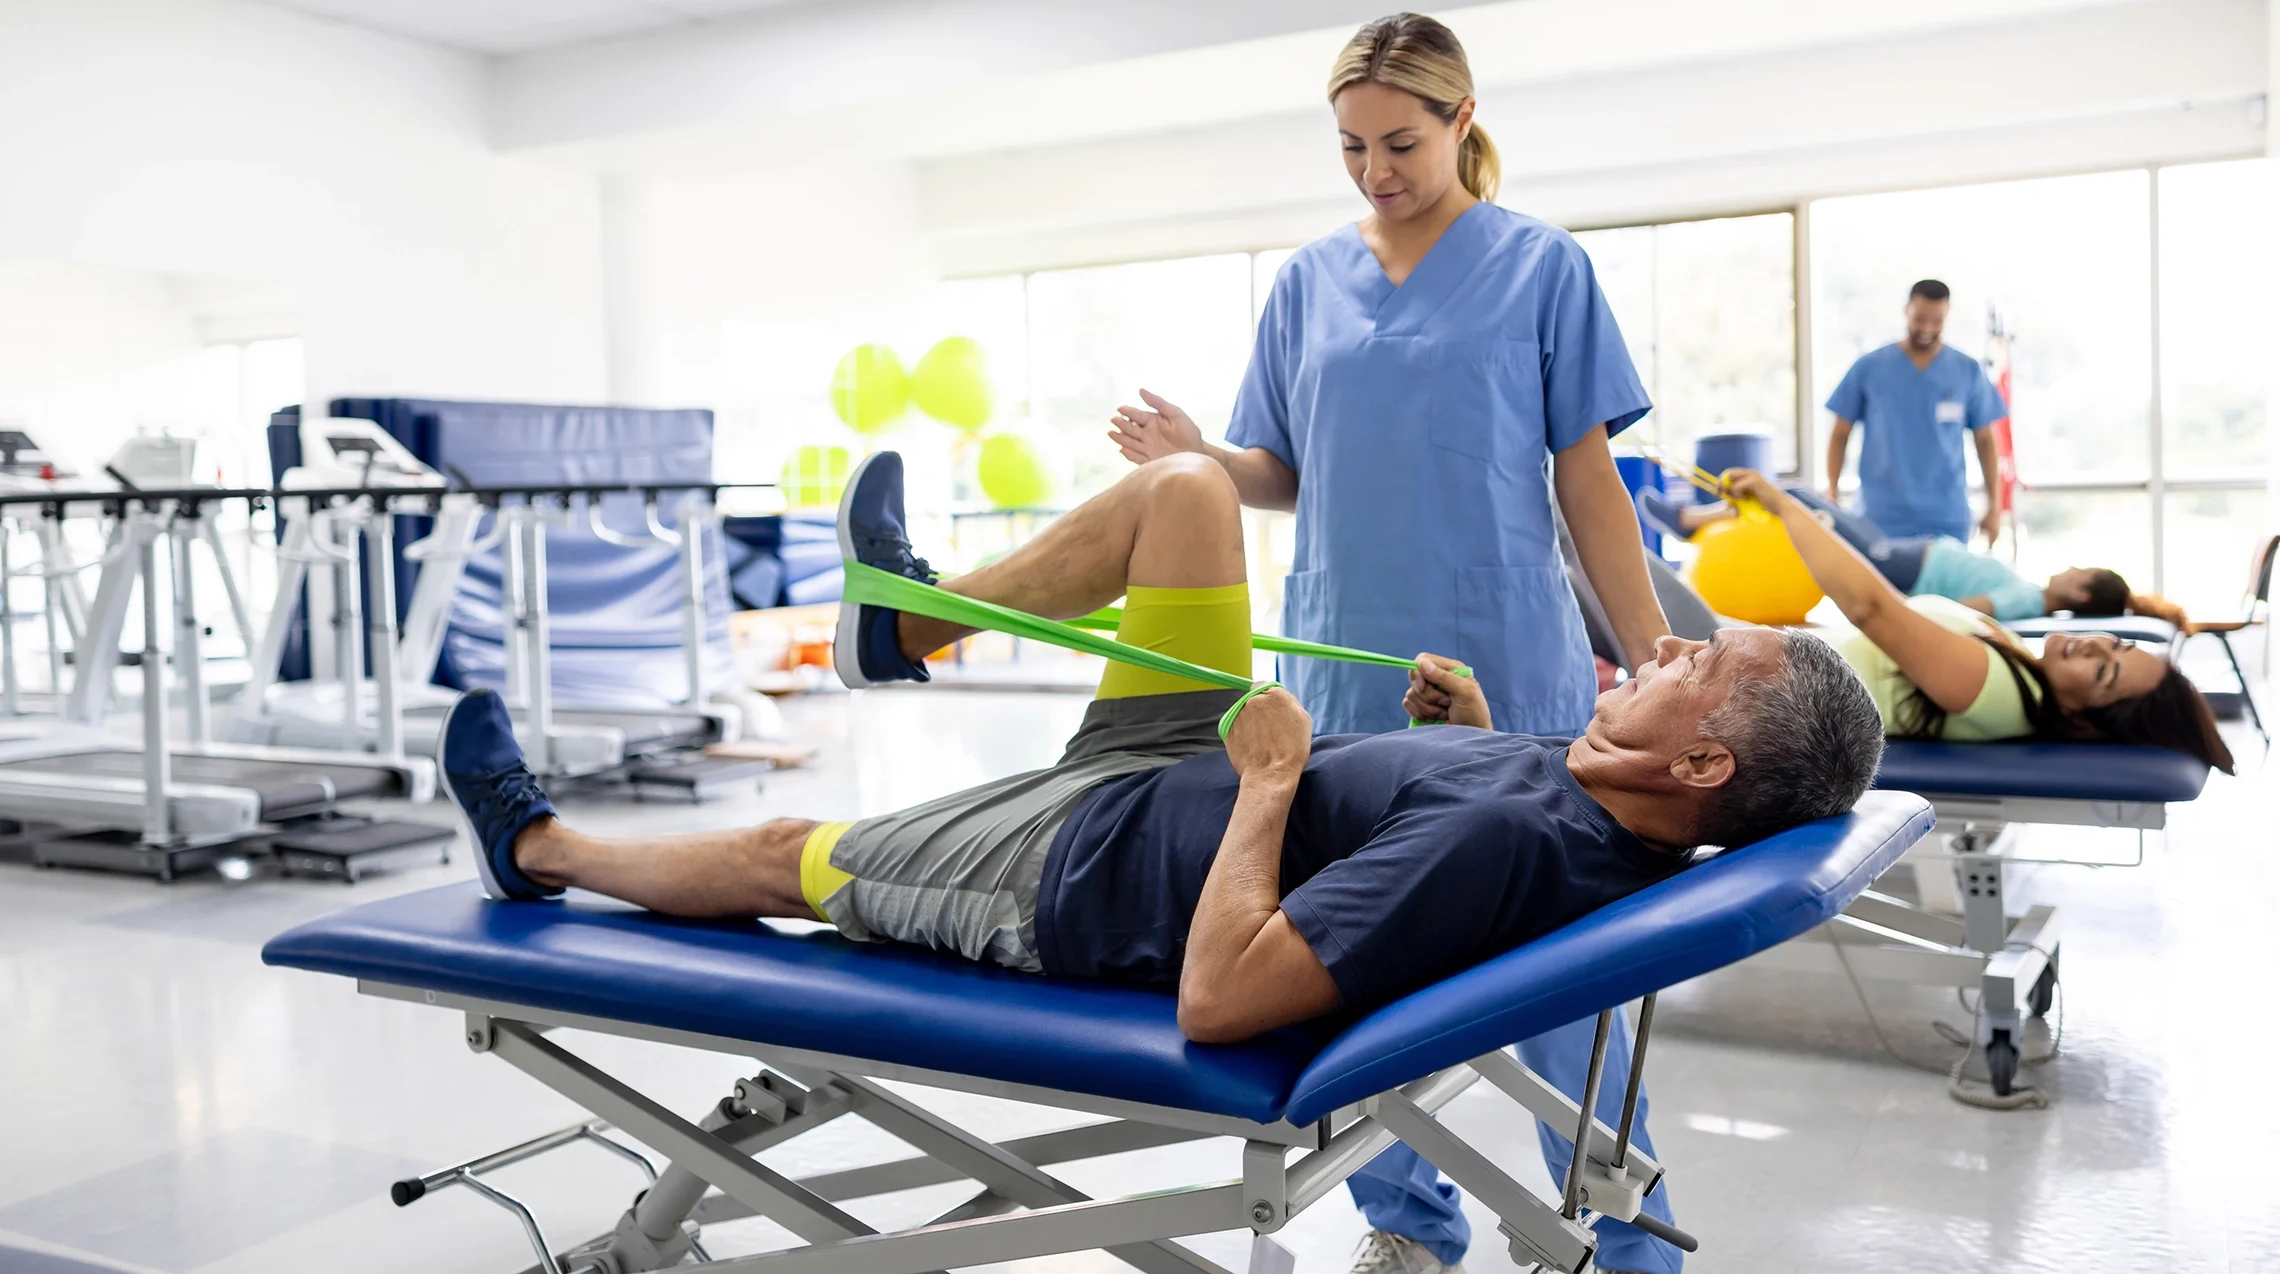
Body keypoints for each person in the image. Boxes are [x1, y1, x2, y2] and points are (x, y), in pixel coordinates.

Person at [438, 451, 1885, 1058]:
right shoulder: (1561, 783)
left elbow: (1222, 997)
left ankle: (541, 848)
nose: (1673, 647)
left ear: (1700, 773)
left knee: (783, 855)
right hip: (1167, 768)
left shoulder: (1515, 840)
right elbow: (1418, 815)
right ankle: (906, 633)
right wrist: (1461, 738)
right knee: (1188, 489)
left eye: (1704, 666)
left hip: (1085, 870)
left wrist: (1268, 783)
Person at [1106, 14, 1684, 1274]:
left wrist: (1652, 653)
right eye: (1353, 146)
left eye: (1402, 142)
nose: (1376, 169)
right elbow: (1281, 473)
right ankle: (1406, 1226)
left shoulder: (1541, 267)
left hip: (1505, 652)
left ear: (1463, 122)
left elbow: (1588, 483)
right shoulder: (1307, 280)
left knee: (1555, 960)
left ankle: (1626, 1232)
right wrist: (1198, 455)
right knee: (1358, 949)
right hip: (1346, 655)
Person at [1713, 470, 2233, 772]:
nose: (2094, 648)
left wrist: (1784, 506)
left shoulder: (1997, 690)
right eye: (2115, 645)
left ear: (2081, 719)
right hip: (1757, 656)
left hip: (1742, 687)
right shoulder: (2020, 664)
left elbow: (1871, 608)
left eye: (2104, 674)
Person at [1635, 485, 2174, 625]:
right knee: (1803, 505)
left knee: (1796, 503)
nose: (2071, 566)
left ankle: (1689, 522)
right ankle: (1690, 521)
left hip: (1900, 566)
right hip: (1903, 556)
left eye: (2081, 571)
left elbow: (1967, 611)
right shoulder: (2030, 593)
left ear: (2081, 592)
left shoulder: (2026, 601)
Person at [1824, 279, 2009, 545]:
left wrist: (1994, 506)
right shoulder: (1870, 367)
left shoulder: (1966, 370)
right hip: (1880, 516)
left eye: (1937, 320)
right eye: (1919, 319)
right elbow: (1840, 433)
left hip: (1946, 517)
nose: (1927, 328)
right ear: (1906, 311)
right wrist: (1833, 491)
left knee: (1947, 587)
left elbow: (1986, 440)